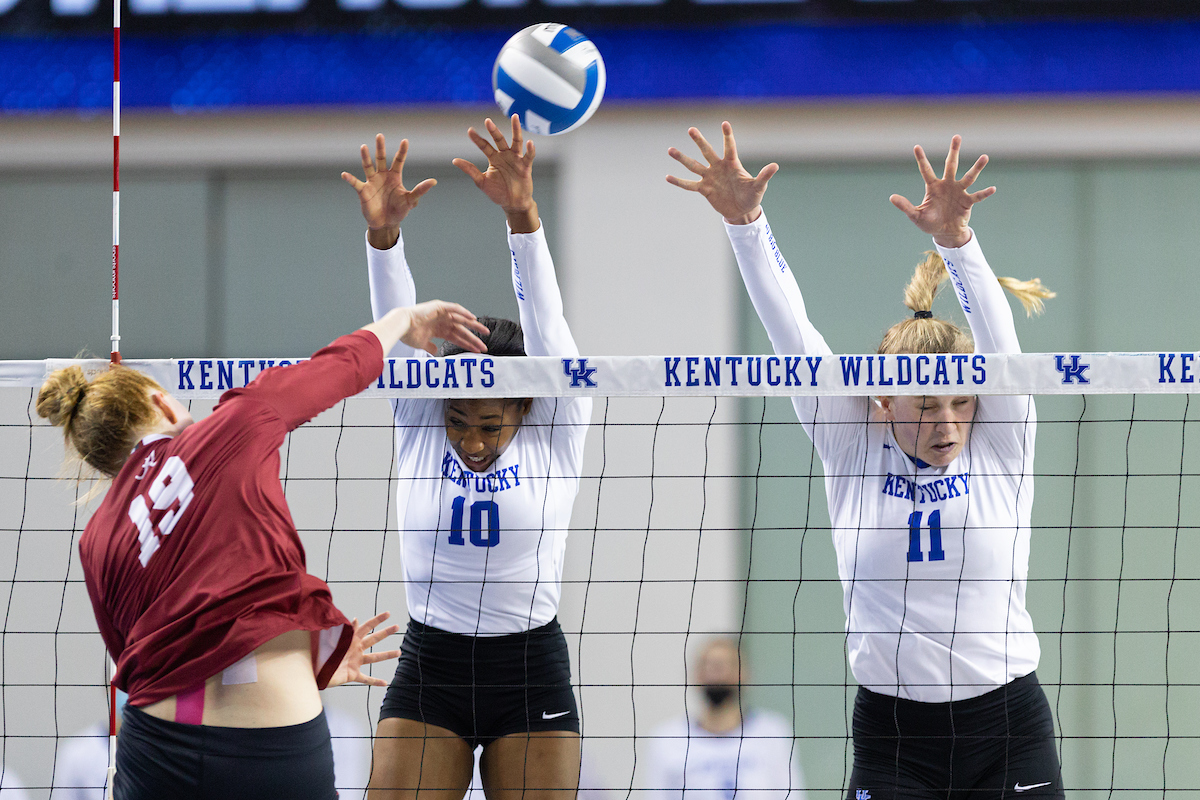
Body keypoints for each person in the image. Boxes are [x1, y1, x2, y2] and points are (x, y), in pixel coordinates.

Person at [667, 124, 1062, 799]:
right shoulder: (852, 442)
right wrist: (745, 225)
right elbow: (793, 335)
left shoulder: (1002, 440)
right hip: (896, 737)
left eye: (960, 402)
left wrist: (957, 240)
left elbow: (1002, 348)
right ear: (882, 401)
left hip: (1007, 726)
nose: (947, 424)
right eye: (925, 405)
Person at [37, 300, 489, 800]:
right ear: (162, 403)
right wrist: (404, 318)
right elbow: (341, 365)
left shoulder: (97, 538)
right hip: (272, 748)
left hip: (156, 753)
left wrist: (305, 659)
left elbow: (152, 655)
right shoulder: (231, 426)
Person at [340, 115, 591, 800]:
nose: (471, 442)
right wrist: (383, 237)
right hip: (434, 664)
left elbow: (547, 324)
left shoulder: (556, 421)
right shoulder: (422, 415)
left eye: (488, 426)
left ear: (524, 408)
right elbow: (396, 328)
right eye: (459, 422)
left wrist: (522, 216)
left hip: (528, 666)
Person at [647, 638, 806, 800]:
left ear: (744, 673)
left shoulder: (773, 733)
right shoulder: (667, 739)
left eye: (723, 665)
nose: (716, 673)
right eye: (707, 665)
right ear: (695, 674)